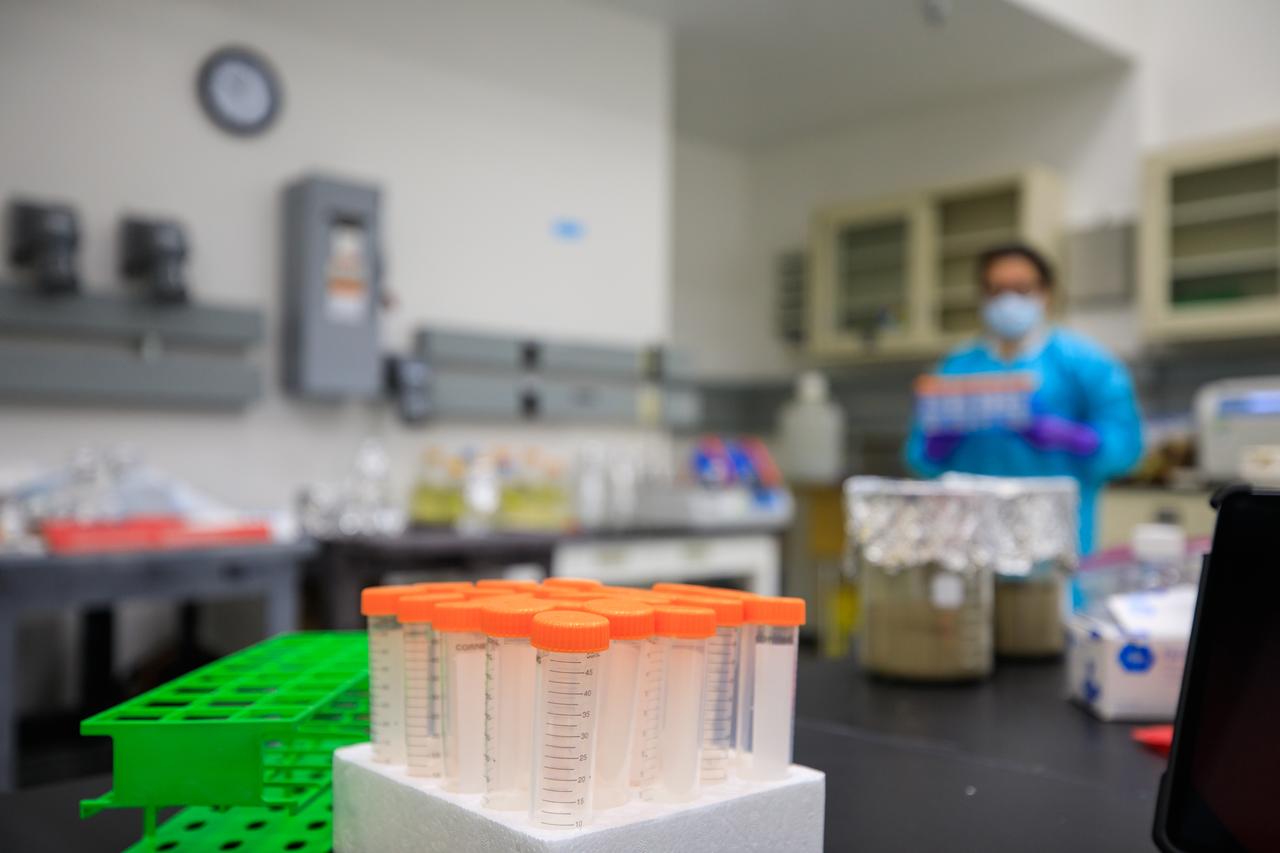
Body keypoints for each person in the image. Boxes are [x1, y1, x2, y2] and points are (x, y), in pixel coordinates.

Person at [904, 243, 1143, 554]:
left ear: (1046, 293)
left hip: (1055, 541)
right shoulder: (956, 368)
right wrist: (937, 444)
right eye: (996, 290)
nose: (1008, 301)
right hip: (971, 543)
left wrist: (1073, 437)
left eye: (1021, 289)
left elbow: (1126, 448)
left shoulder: (1085, 363)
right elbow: (918, 458)